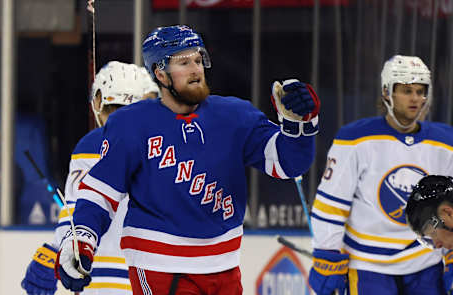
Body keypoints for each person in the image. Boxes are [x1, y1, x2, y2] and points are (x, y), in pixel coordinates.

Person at [54, 24, 321, 294]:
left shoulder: (235, 116)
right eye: (183, 62)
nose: (195, 69)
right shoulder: (131, 123)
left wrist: (298, 124)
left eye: (198, 59)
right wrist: (82, 238)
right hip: (161, 269)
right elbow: (100, 192)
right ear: (160, 73)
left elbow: (288, 164)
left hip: (224, 267)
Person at [308, 54, 453, 295]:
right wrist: (327, 254)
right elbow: (330, 204)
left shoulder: (446, 142)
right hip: (367, 265)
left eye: (420, 91)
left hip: (425, 263)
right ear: (387, 92)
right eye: (406, 91)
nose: (415, 98)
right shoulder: (354, 139)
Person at [20, 61, 159, 295]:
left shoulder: (94, 143)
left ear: (99, 100)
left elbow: (77, 212)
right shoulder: (164, 147)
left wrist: (52, 250)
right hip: (155, 279)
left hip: (102, 278)